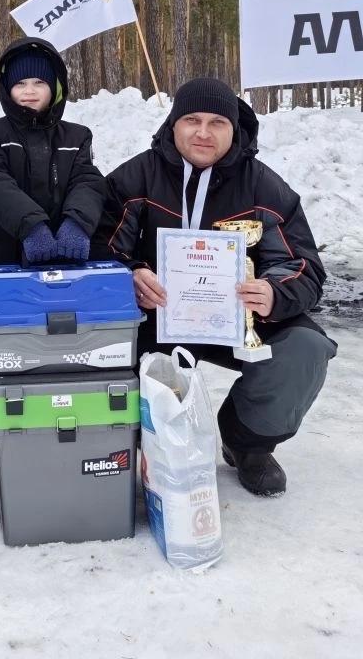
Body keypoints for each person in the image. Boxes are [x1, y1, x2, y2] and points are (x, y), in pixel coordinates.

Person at [95, 77, 337, 496]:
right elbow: (100, 246)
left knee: (305, 347)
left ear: (233, 128)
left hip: (237, 320)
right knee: (98, 343)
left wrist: (274, 292)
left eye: (217, 123)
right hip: (157, 316)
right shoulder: (136, 178)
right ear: (174, 124)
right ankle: (130, 437)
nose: (203, 133)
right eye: (192, 120)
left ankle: (248, 443)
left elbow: (303, 265)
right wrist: (129, 275)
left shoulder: (263, 186)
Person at [0, 37, 106, 494]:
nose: (29, 91)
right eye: (20, 83)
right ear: (6, 89)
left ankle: (62, 447)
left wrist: (77, 223)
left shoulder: (76, 137)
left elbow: (88, 181)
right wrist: (31, 226)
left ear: (57, 88)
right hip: (5, 267)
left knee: (62, 360)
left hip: (65, 268)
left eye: (39, 83)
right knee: (5, 366)